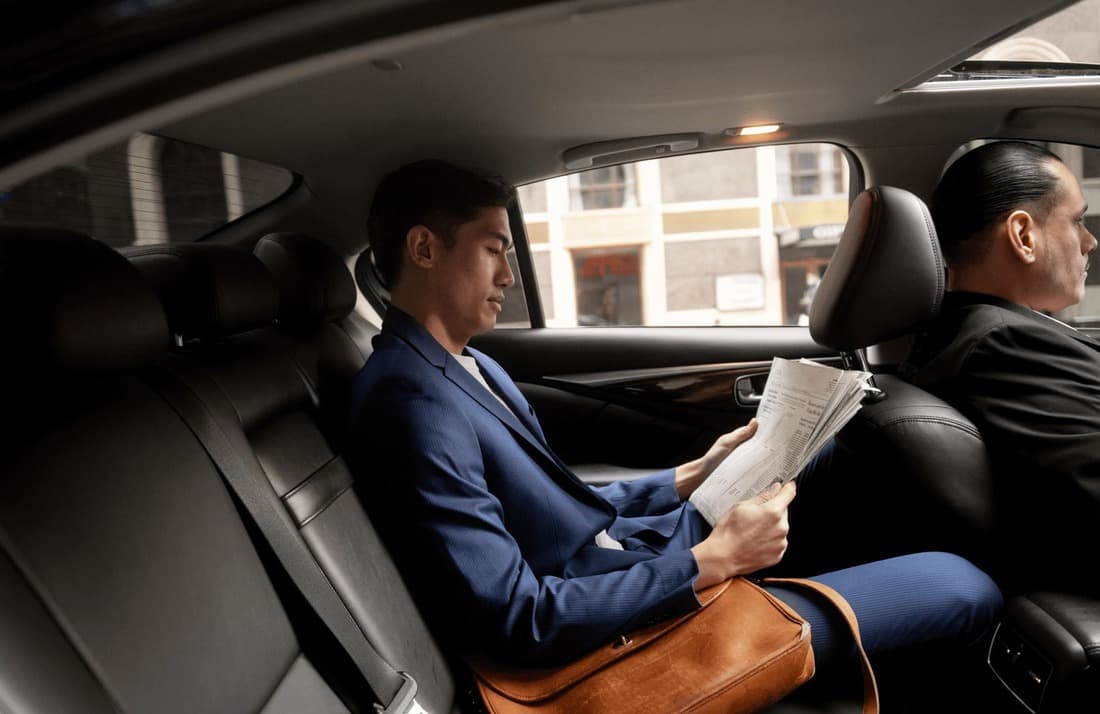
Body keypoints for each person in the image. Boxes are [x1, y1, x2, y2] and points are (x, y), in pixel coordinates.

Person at [347, 159, 1002, 692]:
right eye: (493, 249)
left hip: (627, 559)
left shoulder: (468, 364)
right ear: (424, 248)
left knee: (826, 455)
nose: (509, 276)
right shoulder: (408, 403)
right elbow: (519, 618)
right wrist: (712, 561)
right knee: (962, 584)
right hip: (620, 635)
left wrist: (694, 475)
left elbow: (553, 507)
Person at [903, 140, 1100, 595]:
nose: (1091, 242)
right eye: (1077, 221)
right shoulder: (1009, 346)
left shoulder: (955, 335)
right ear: (1023, 235)